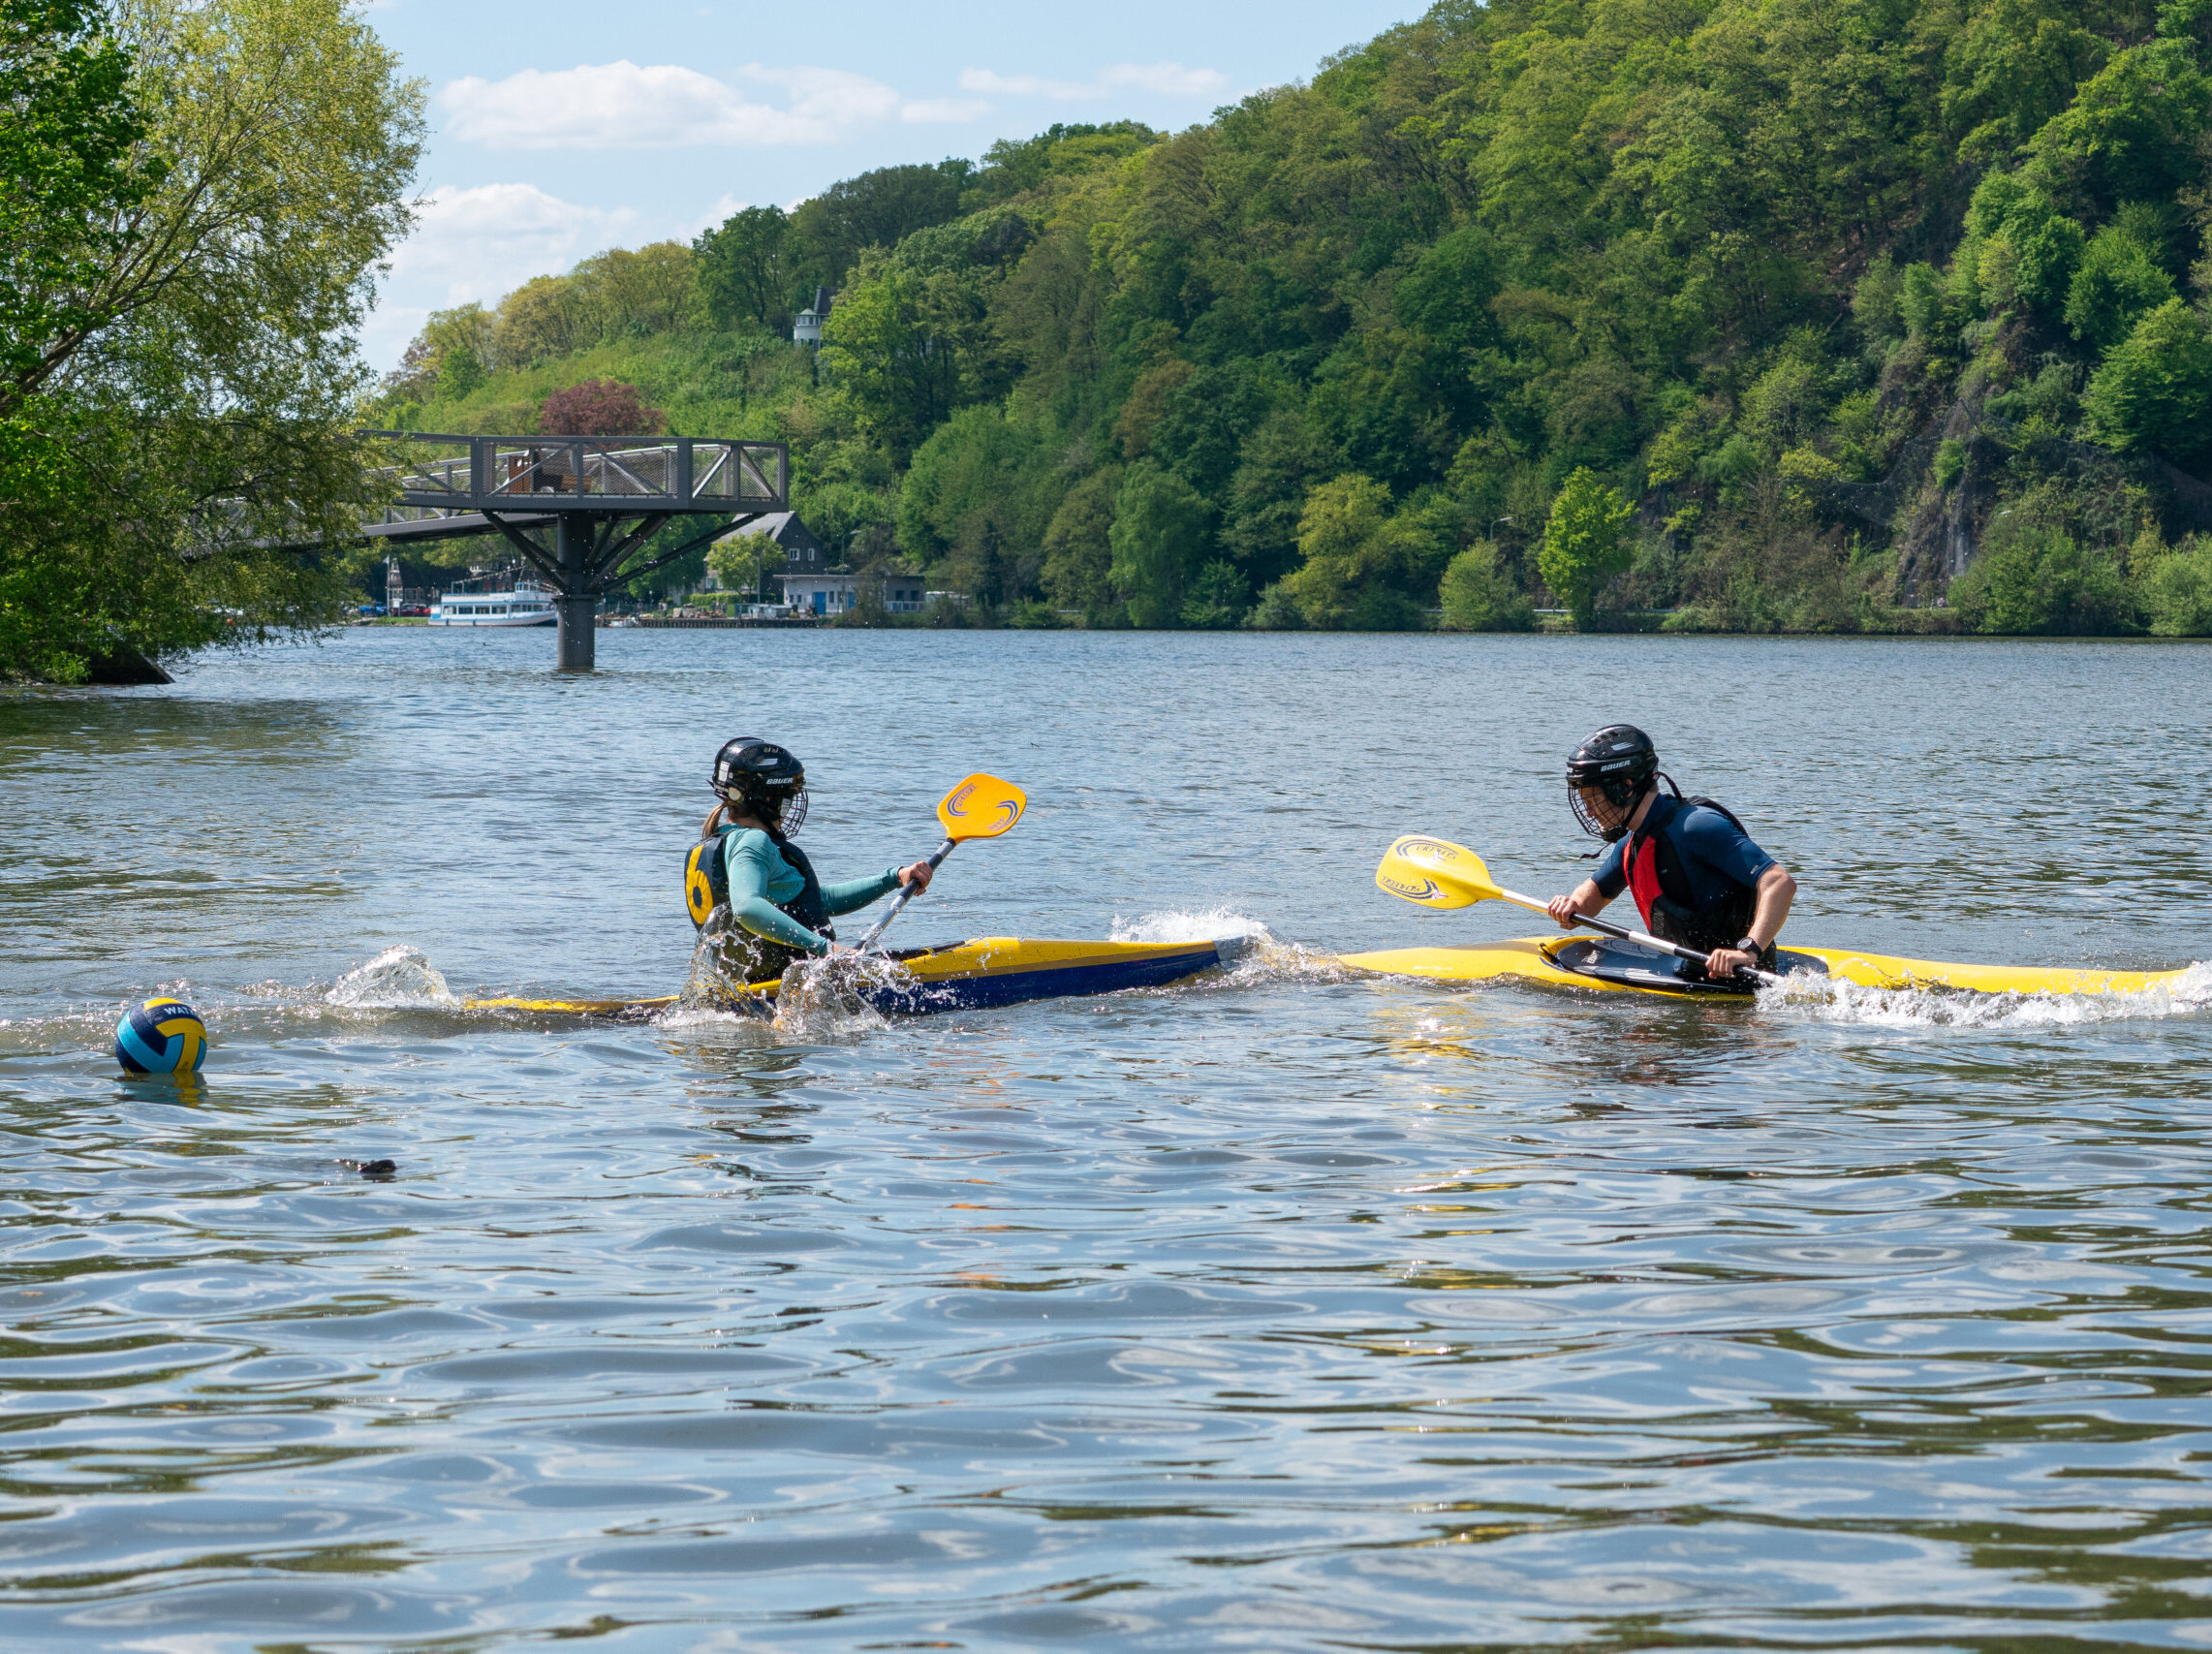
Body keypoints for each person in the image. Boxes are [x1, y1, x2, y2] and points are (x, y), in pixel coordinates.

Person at [1543, 724, 1796, 980]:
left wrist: (1748, 951)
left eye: (1593, 799)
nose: (1588, 811)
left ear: (1625, 787)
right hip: (1690, 972)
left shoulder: (1697, 826)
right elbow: (1596, 893)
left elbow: (1779, 882)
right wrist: (1573, 906)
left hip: (1747, 977)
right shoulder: (1632, 842)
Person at [683, 737, 934, 986]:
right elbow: (747, 908)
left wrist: (893, 877)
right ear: (769, 800)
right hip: (786, 988)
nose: (790, 807)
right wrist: (825, 948)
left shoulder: (721, 842)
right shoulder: (753, 841)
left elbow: (817, 901)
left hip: (746, 987)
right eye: (788, 798)